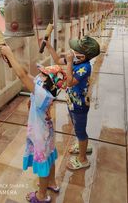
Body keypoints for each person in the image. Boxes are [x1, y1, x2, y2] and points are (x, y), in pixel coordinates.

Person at [0, 45, 67, 203]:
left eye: (43, 74)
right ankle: (51, 182)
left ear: (49, 83)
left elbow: (24, 76)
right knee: (49, 156)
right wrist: (12, 61)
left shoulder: (42, 94)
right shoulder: (44, 88)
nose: (39, 74)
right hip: (47, 132)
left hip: (40, 134)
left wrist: (10, 53)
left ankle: (41, 196)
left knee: (42, 162)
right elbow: (25, 74)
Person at [45, 35, 100, 170]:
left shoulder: (85, 67)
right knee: (76, 126)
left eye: (76, 51)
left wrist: (69, 63)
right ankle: (82, 146)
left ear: (84, 56)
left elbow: (69, 82)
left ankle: (83, 159)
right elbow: (58, 59)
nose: (72, 52)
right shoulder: (76, 61)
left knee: (81, 131)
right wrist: (49, 47)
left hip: (80, 105)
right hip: (72, 103)